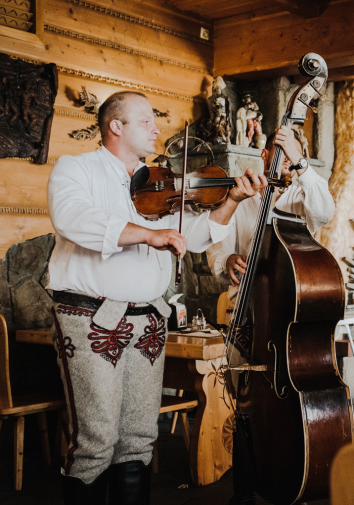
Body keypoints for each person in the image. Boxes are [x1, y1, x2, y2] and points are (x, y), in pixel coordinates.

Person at [47, 91, 267, 504]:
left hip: (147, 320)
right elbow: (74, 218)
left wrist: (233, 199)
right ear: (116, 126)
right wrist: (148, 233)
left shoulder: (158, 182)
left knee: (138, 438)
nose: (156, 129)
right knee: (97, 440)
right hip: (93, 316)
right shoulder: (76, 169)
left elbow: (195, 235)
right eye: (146, 121)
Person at [205, 125, 335, 505]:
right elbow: (216, 248)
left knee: (287, 400)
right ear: (262, 156)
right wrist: (226, 260)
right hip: (243, 316)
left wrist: (301, 163)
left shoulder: (303, 195)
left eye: (285, 154)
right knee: (243, 406)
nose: (274, 159)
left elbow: (325, 212)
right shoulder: (244, 196)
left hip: (286, 320)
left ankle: (293, 470)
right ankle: (244, 488)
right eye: (271, 152)